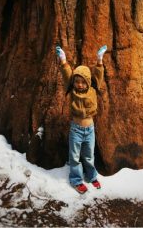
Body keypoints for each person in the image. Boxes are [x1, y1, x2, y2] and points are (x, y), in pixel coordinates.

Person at [56, 44, 107, 194]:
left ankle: (91, 176)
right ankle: (76, 180)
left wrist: (100, 59)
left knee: (89, 155)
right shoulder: (72, 90)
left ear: (88, 81)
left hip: (90, 130)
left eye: (83, 81)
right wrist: (63, 60)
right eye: (77, 81)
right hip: (76, 130)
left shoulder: (93, 89)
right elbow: (67, 75)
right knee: (74, 157)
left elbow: (98, 74)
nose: (80, 84)